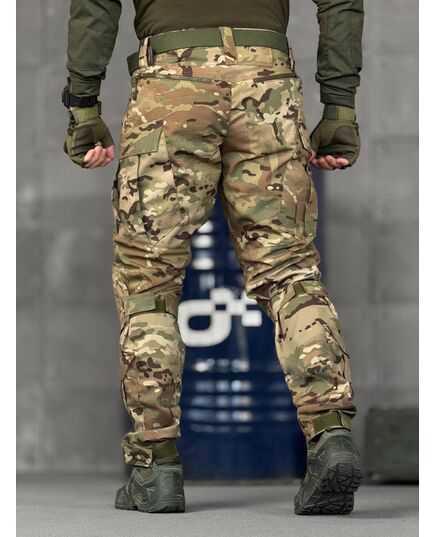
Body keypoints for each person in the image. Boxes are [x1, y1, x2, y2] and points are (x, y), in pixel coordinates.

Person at [63, 0, 364, 515]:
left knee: (149, 276)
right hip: (267, 83)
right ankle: (330, 433)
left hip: (169, 85)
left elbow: (95, 4)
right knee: (288, 268)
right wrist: (339, 108)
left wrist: (83, 106)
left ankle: (156, 465)